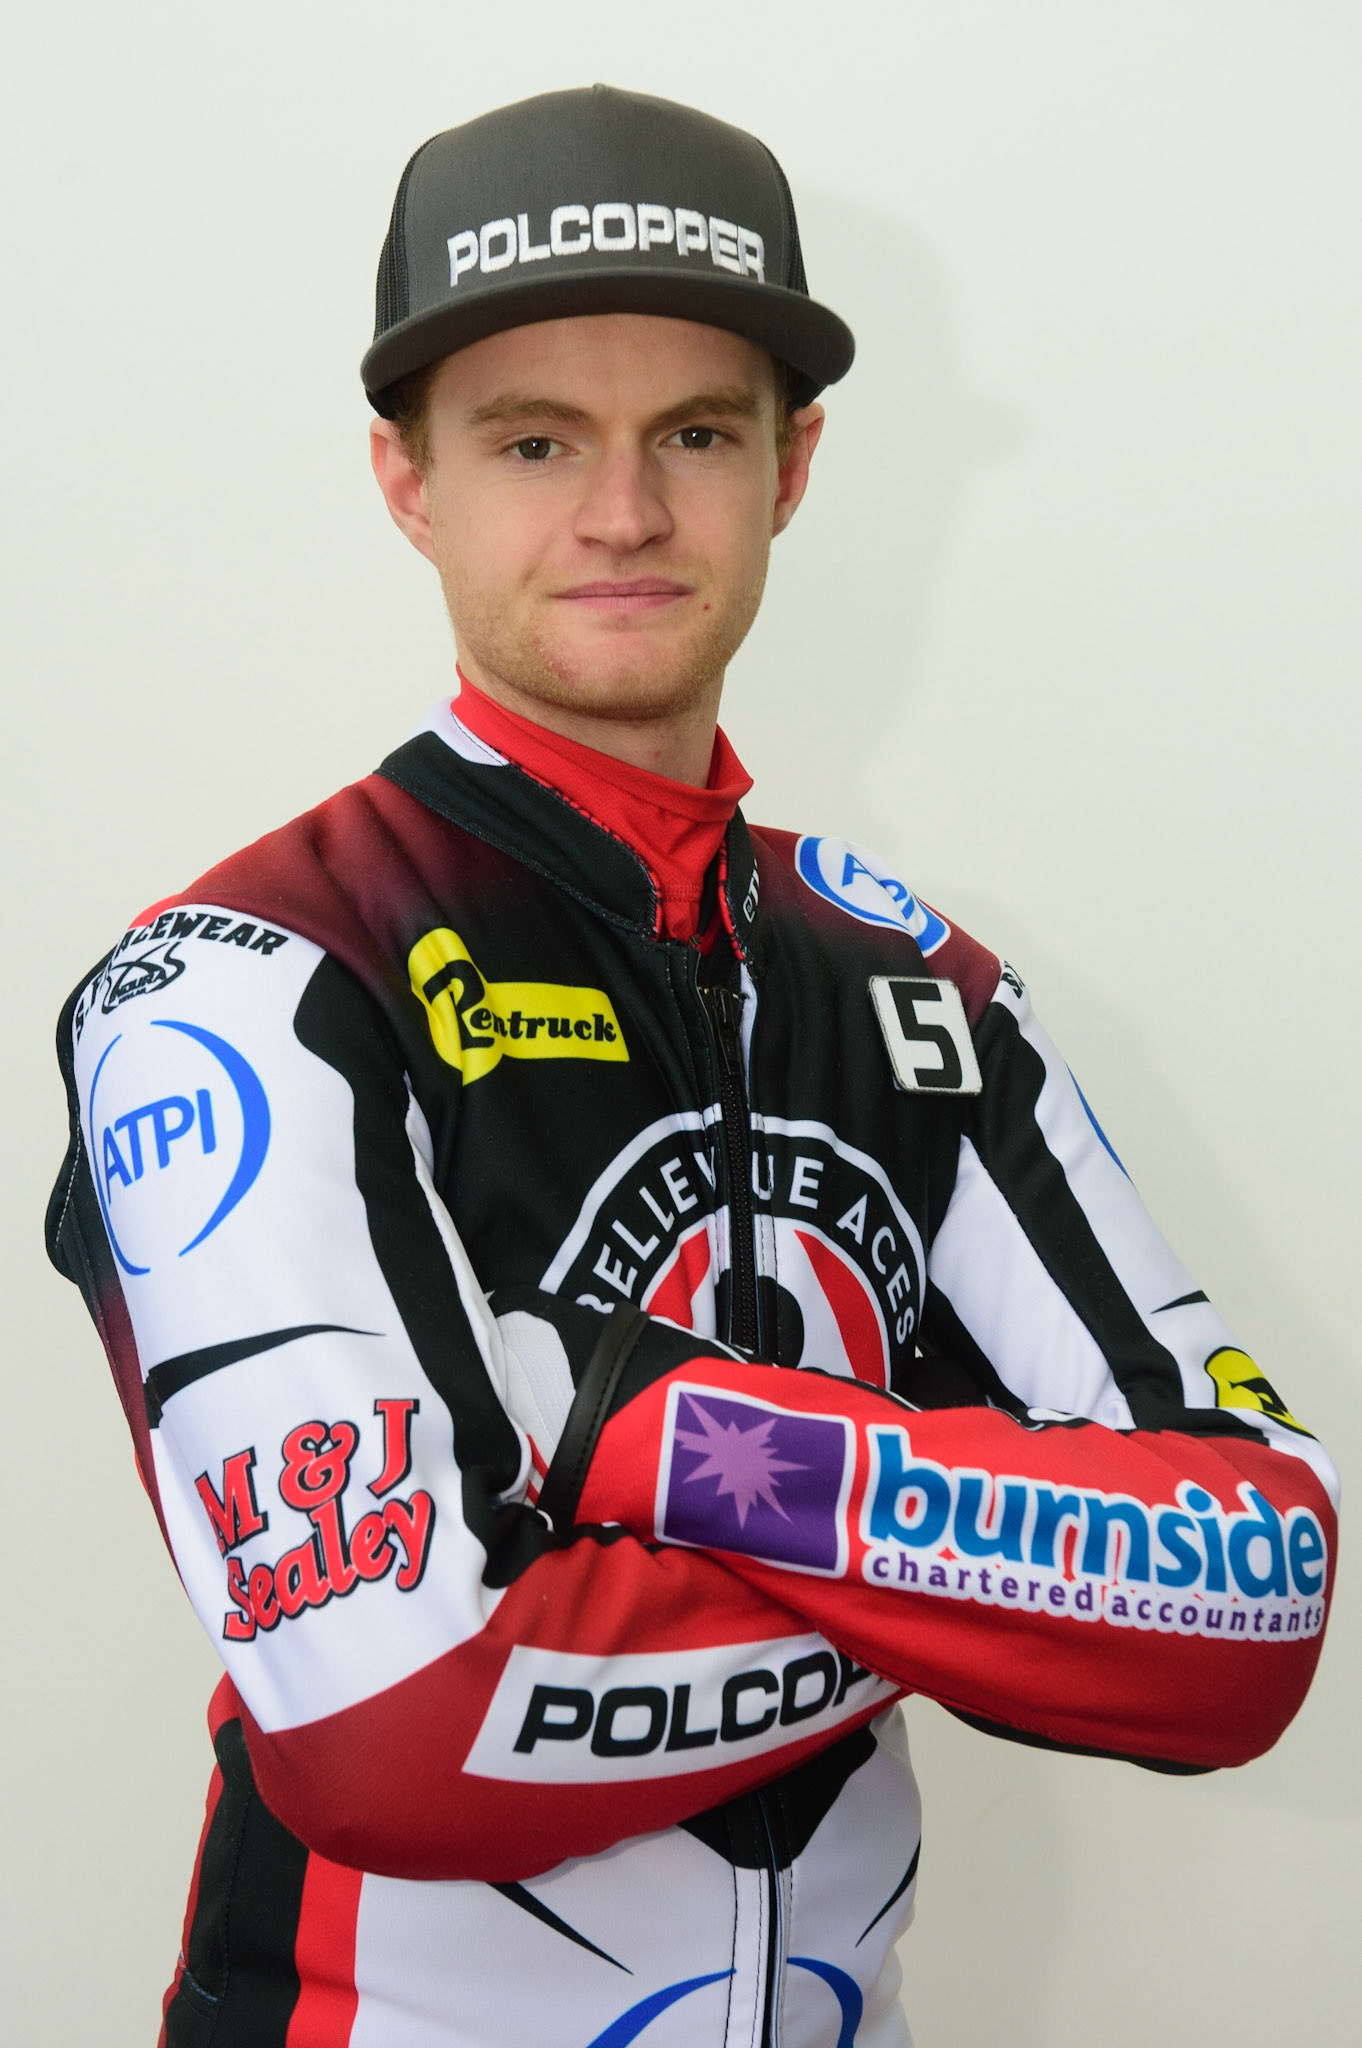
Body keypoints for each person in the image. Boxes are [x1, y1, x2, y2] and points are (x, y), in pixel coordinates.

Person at [47, 83, 1337, 2048]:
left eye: (697, 436)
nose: (626, 512)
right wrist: (999, 1576)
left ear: (794, 467)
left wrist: (648, 1435)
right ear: (406, 478)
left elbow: (1254, 1612)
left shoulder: (925, 989)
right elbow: (392, 1733)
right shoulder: (253, 978)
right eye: (535, 439)